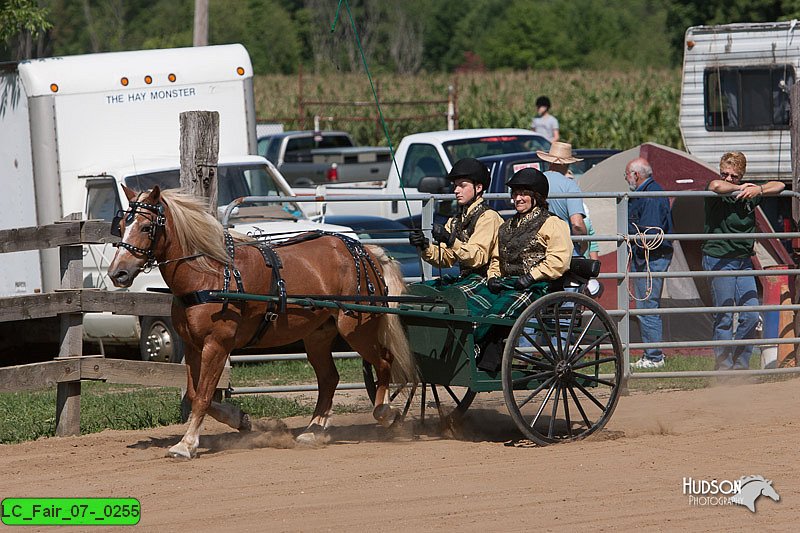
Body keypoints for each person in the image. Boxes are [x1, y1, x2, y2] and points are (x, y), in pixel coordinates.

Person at [468, 168, 572, 371]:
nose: (518, 198)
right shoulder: (507, 226)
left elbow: (559, 260)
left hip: (538, 286)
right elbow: (497, 258)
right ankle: (476, 350)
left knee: (495, 315)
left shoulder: (552, 223)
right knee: (471, 305)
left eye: (523, 193)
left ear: (537, 197)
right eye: (515, 193)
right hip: (509, 284)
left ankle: (482, 354)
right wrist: (493, 277)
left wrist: (531, 276)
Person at [703, 152, 785, 371]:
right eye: (725, 174)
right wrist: (740, 188)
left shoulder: (750, 193)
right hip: (719, 258)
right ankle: (723, 368)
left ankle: (740, 367)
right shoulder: (718, 190)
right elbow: (715, 186)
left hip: (743, 261)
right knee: (725, 315)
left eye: (734, 176)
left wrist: (757, 189)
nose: (728, 178)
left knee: (750, 315)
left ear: (742, 175)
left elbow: (779, 185)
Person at [408, 157, 503, 288]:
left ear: (479, 187)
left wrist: (450, 239)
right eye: (455, 185)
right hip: (467, 280)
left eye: (462, 185)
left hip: (486, 281)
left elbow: (477, 258)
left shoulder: (488, 217)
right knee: (419, 289)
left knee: (449, 299)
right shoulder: (455, 221)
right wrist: (424, 246)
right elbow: (446, 259)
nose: (456, 190)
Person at [624, 157, 674, 369]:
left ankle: (654, 357)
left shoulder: (651, 196)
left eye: (626, 175)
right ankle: (651, 354)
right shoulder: (646, 193)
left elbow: (652, 233)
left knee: (647, 305)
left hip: (650, 258)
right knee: (646, 305)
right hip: (646, 258)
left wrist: (631, 237)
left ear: (636, 175)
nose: (626, 179)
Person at [536, 142, 588, 255]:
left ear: (549, 161)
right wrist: (585, 244)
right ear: (567, 164)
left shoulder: (536, 181)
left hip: (538, 247)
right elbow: (577, 224)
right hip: (565, 249)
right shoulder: (570, 185)